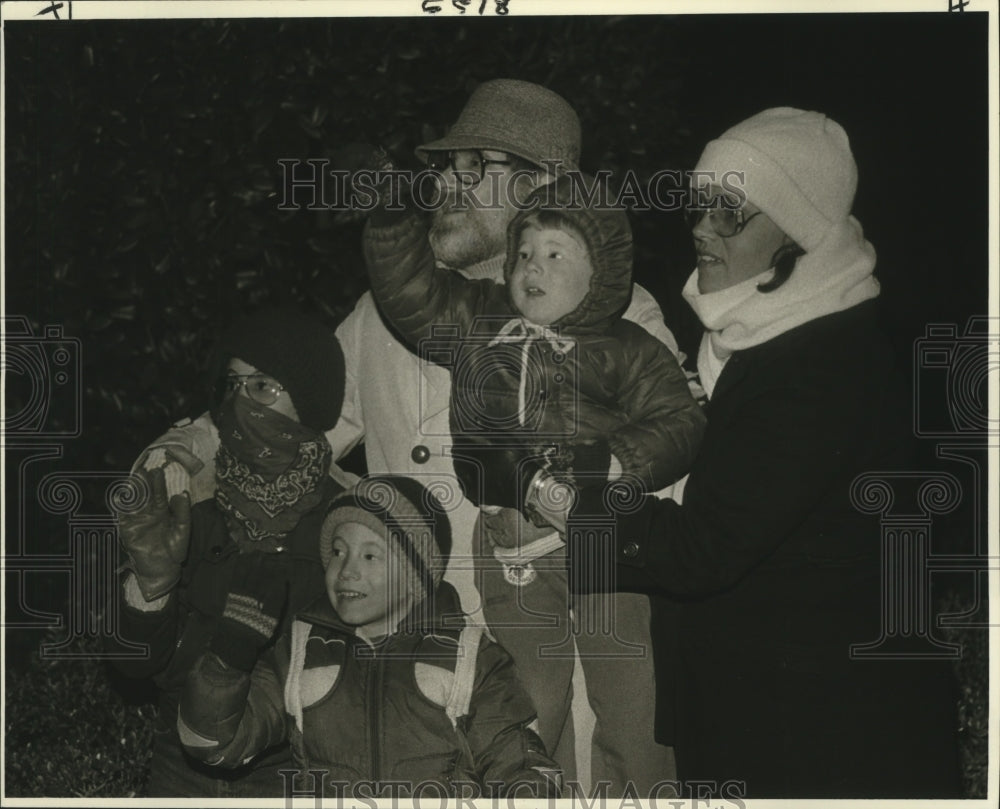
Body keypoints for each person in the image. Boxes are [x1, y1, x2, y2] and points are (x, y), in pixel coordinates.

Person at [132, 79, 681, 790]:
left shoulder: (624, 316)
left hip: (553, 677)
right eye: (445, 167)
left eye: (476, 166)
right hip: (413, 689)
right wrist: (184, 455)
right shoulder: (377, 317)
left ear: (545, 186)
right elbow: (288, 426)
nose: (447, 184)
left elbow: (662, 488)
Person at [528, 107, 962, 798]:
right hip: (767, 709)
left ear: (797, 233)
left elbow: (704, 547)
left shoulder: (820, 365)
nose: (702, 227)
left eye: (730, 213)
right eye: (699, 206)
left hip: (818, 736)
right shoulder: (761, 335)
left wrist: (550, 494)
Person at [361, 168, 705, 795]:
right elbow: (409, 292)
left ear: (600, 270)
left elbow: (680, 421)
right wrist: (392, 214)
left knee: (631, 699)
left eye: (554, 253)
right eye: (522, 253)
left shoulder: (626, 343)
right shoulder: (478, 319)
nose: (531, 267)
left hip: (605, 543)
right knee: (527, 700)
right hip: (511, 545)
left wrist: (609, 463)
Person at [176, 475, 564, 799]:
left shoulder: (470, 656)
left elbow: (521, 766)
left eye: (369, 556)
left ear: (416, 572)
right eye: (338, 552)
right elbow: (209, 743)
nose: (345, 570)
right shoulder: (300, 649)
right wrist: (230, 654)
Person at [108, 310, 351, 797]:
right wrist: (149, 587)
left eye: (262, 387)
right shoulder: (192, 499)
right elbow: (131, 664)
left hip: (290, 763)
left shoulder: (345, 517)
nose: (241, 403)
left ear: (310, 401)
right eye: (232, 385)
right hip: (179, 758)